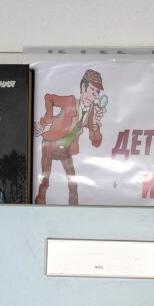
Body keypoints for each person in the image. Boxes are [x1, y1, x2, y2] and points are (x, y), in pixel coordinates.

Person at [34, 68, 106, 205]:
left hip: (65, 150)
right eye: (92, 90)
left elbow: (96, 142)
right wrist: (47, 120)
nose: (94, 95)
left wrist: (95, 124)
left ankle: (74, 209)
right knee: (44, 181)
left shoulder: (91, 113)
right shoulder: (71, 102)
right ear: (83, 88)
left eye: (97, 92)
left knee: (73, 183)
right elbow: (49, 98)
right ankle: (39, 204)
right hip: (50, 144)